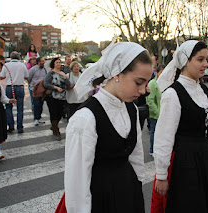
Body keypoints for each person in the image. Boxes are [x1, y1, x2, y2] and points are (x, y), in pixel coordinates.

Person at [56, 41, 153, 213]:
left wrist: (137, 187)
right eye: (139, 82)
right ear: (117, 74)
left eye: (146, 83)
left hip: (129, 192)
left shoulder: (131, 108)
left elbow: (136, 155)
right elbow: (77, 180)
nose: (144, 90)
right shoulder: (85, 117)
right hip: (101, 197)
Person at [152, 40, 208, 212]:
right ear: (186, 61)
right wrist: (161, 176)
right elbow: (164, 137)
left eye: (206, 59)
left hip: (205, 157)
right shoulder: (172, 94)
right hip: (184, 162)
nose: (206, 64)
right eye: (200, 59)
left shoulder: (203, 90)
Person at [0, 51, 29, 134]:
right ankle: (20, 127)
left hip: (10, 87)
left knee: (8, 107)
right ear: (19, 58)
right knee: (20, 108)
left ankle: (11, 126)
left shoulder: (7, 65)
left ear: (11, 57)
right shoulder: (22, 65)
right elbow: (27, 76)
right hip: (20, 87)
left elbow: (1, 77)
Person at [43, 57, 70, 141]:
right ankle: (57, 131)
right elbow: (46, 84)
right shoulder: (50, 73)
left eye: (59, 62)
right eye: (57, 62)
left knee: (60, 114)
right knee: (53, 113)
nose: (58, 64)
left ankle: (54, 126)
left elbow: (68, 85)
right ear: (53, 64)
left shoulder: (62, 73)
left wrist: (65, 77)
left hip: (62, 97)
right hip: (52, 97)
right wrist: (55, 87)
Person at [146, 64, 165, 156]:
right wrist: (157, 112)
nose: (163, 74)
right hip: (155, 114)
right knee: (154, 132)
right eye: (161, 72)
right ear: (157, 73)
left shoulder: (166, 83)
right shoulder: (153, 83)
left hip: (164, 114)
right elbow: (150, 100)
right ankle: (152, 150)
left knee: (162, 134)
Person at [28, 57, 47, 126]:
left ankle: (39, 117)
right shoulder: (33, 69)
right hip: (34, 89)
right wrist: (33, 85)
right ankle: (36, 118)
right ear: (38, 62)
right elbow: (28, 78)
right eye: (42, 61)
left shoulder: (44, 69)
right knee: (36, 104)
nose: (43, 62)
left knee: (41, 103)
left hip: (42, 89)